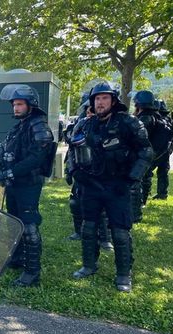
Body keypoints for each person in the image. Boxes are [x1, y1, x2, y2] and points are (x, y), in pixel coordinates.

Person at [69, 82, 153, 292]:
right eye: (97, 99)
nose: (100, 102)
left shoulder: (129, 123)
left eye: (105, 98)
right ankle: (89, 265)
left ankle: (124, 274)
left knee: (120, 233)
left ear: (113, 100)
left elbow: (146, 152)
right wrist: (74, 172)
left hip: (118, 186)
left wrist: (131, 179)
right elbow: (72, 150)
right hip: (91, 185)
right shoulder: (86, 124)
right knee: (88, 228)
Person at [0, 84, 56, 287]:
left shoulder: (38, 125)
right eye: (14, 105)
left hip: (28, 183)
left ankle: (32, 272)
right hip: (15, 183)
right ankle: (17, 259)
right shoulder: (21, 125)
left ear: (30, 104)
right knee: (14, 222)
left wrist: (9, 172)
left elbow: (36, 158)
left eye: (19, 104)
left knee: (28, 225)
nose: (15, 108)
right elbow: (15, 154)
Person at [64, 94, 113, 251]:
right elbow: (71, 147)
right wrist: (70, 170)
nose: (90, 110)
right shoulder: (81, 123)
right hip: (83, 172)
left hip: (104, 172)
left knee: (104, 207)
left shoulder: (112, 123)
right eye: (88, 108)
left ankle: (105, 238)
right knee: (76, 202)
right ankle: (78, 231)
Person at [134, 93, 173, 202]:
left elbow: (139, 137)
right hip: (163, 151)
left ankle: (141, 200)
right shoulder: (159, 118)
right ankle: (161, 194)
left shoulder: (146, 118)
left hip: (150, 152)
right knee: (159, 174)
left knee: (143, 176)